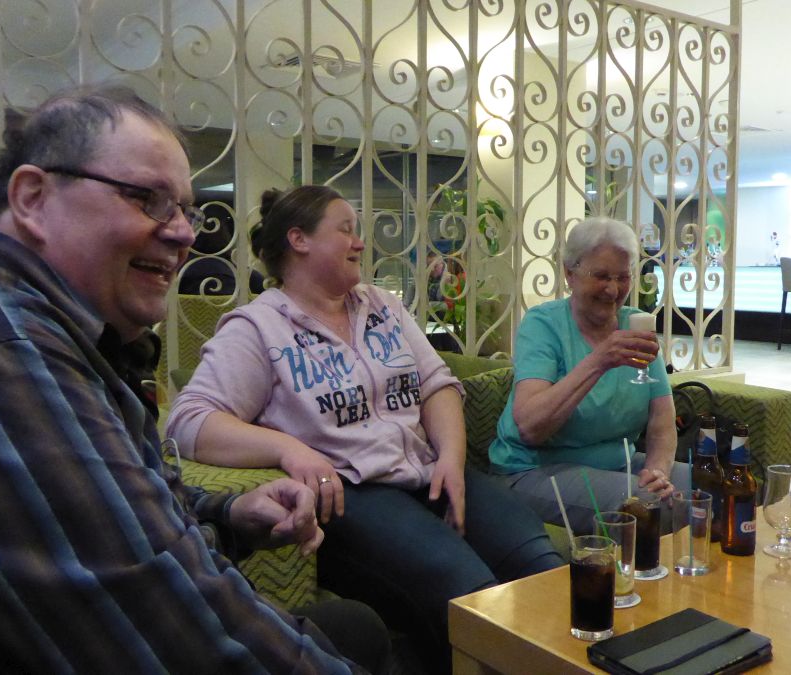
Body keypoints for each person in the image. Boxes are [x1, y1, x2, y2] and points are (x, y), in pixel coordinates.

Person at [0, 84, 389, 673]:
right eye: (148, 199)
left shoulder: (48, 324)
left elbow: (117, 498)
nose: (184, 233)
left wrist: (229, 513)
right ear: (34, 198)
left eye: (186, 209)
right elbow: (170, 629)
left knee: (357, 627)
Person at [166, 184, 562, 673]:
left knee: (544, 569)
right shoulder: (259, 328)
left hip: (426, 472)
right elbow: (189, 420)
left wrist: (452, 459)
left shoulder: (381, 306)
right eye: (346, 230)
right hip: (355, 494)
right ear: (299, 239)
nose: (360, 242)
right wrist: (289, 449)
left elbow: (437, 384)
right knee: (471, 594)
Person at [487, 216, 689, 532]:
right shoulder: (543, 326)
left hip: (616, 465)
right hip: (534, 469)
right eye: (602, 276)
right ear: (570, 273)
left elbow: (662, 422)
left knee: (705, 485)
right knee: (645, 504)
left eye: (623, 277)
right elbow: (530, 427)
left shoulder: (635, 325)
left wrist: (657, 472)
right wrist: (599, 361)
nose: (613, 289)